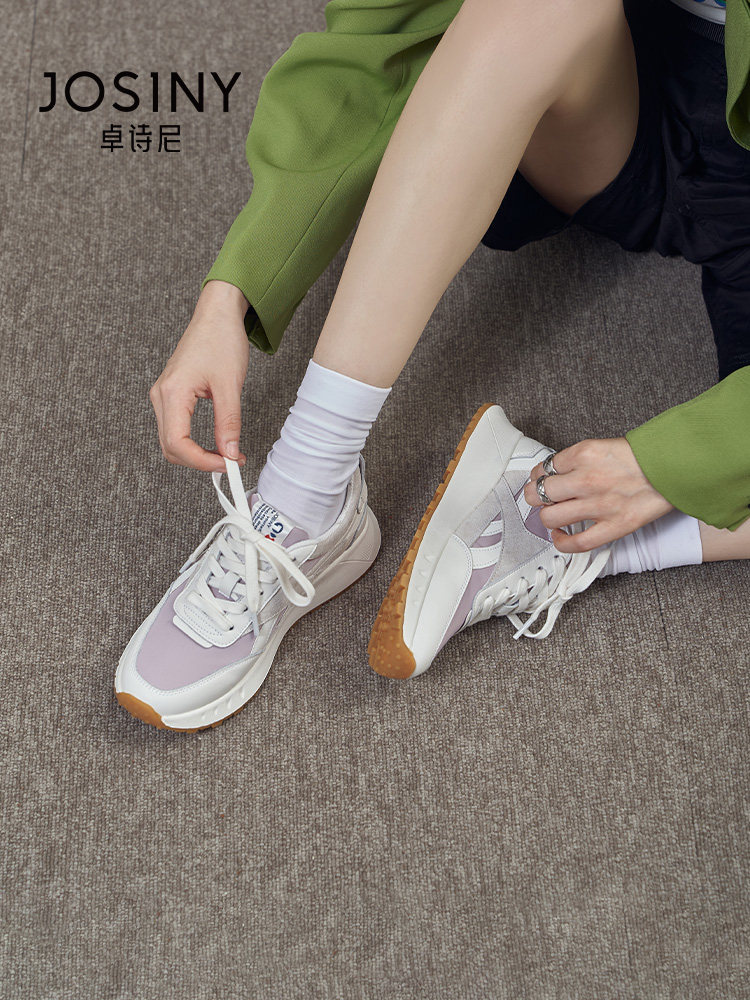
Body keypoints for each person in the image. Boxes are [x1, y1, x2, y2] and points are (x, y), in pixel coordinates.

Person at [115, 0, 750, 728]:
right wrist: (229, 294)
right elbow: (383, 32)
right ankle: (303, 495)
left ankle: (551, 524)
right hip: (604, 94)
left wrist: (673, 464)